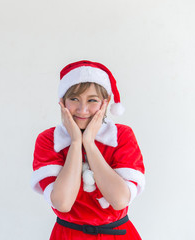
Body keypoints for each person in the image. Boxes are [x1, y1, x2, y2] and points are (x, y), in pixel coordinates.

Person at [31, 60, 145, 239]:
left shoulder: (121, 136)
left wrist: (90, 144)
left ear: (105, 104)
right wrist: (76, 142)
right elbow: (63, 203)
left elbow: (119, 200)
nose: (83, 109)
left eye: (92, 100)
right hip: (68, 235)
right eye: (74, 99)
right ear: (62, 101)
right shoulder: (49, 139)